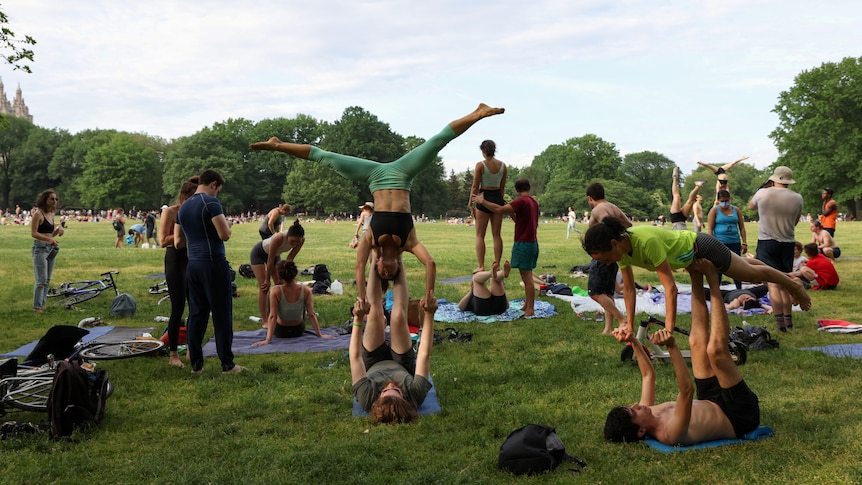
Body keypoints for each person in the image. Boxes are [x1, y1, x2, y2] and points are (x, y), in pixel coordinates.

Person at [251, 103, 505, 306]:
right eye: (387, 273)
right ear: (396, 267)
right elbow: (430, 264)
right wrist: (428, 293)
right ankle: (478, 113)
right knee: (438, 141)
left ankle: (278, 145)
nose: (382, 269)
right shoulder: (409, 242)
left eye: (380, 271)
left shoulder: (371, 239)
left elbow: (360, 266)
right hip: (403, 173)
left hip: (373, 175)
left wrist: (361, 297)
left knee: (324, 157)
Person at [604, 261, 760, 446]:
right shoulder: (671, 433)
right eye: (634, 411)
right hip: (738, 415)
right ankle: (712, 278)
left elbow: (648, 375)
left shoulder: (648, 411)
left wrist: (633, 340)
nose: (637, 405)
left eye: (631, 407)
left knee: (696, 342)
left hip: (710, 400)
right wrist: (672, 346)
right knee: (716, 352)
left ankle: (695, 276)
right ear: (641, 431)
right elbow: (686, 390)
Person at [581, 217, 811, 337]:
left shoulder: (645, 241)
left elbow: (670, 288)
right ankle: (788, 278)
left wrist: (669, 329)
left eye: (605, 259)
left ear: (613, 243)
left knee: (751, 274)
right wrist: (628, 324)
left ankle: (794, 285)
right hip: (694, 251)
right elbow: (629, 290)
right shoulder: (621, 251)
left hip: (701, 247)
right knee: (746, 265)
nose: (606, 264)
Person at [175, 169, 245, 375]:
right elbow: (224, 235)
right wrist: (228, 226)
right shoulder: (211, 203)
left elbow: (178, 242)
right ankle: (227, 365)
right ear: (214, 184)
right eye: (218, 190)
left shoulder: (184, 207)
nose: (218, 194)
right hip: (213, 263)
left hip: (192, 265)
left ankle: (196, 365)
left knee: (197, 314)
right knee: (222, 315)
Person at [349, 262, 437, 424]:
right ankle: (398, 258)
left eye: (385, 391)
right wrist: (429, 314)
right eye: (396, 389)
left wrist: (358, 318)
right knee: (398, 316)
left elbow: (355, 358)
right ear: (404, 397)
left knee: (375, 314)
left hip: (373, 361)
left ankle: (376, 257)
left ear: (377, 398)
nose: (390, 385)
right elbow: (424, 354)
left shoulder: (367, 397)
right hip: (402, 363)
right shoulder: (414, 394)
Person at [748, 166, 805, 332]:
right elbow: (795, 221)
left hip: (767, 242)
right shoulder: (797, 197)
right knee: (785, 283)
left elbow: (751, 207)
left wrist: (763, 188)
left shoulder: (763, 193)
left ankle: (780, 323)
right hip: (787, 243)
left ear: (774, 179)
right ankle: (789, 321)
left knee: (773, 285)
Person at [474, 178, 539, 316]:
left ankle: (530, 309)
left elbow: (498, 209)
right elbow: (518, 220)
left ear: (516, 190)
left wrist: (482, 201)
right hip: (532, 243)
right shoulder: (533, 202)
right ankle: (527, 304)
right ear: (529, 187)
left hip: (524, 244)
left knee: (527, 278)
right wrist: (511, 210)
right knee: (526, 276)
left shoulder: (521, 201)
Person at [159, 177, 199, 367]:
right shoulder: (170, 211)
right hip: (175, 261)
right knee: (178, 308)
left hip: (193, 259)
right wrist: (183, 235)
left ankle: (192, 348)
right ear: (183, 196)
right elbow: (162, 241)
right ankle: (173, 354)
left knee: (195, 307)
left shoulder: (197, 211)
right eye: (191, 197)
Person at [586, 182, 633, 335]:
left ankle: (622, 319)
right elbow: (628, 224)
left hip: (604, 253)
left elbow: (606, 224)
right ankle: (608, 328)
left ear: (590, 198)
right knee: (608, 292)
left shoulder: (598, 209)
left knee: (595, 292)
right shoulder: (612, 206)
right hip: (615, 252)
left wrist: (606, 242)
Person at [252, 261, 333, 345]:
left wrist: (267, 340)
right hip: (298, 330)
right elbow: (311, 314)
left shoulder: (275, 291)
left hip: (281, 331)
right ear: (295, 274)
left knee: (271, 297)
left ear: (279, 275)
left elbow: (273, 316)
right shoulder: (305, 290)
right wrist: (320, 335)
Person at [250, 219, 306, 324]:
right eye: (292, 241)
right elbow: (269, 261)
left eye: (297, 242)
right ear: (287, 235)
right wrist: (267, 279)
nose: (294, 244)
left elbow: (290, 258)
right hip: (259, 253)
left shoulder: (301, 240)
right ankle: (265, 320)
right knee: (264, 287)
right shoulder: (279, 238)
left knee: (280, 285)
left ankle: (280, 316)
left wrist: (285, 275)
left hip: (275, 256)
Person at [469, 140, 507, 272]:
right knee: (497, 235)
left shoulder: (480, 165)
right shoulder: (503, 166)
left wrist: (471, 204)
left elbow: (475, 186)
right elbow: (502, 188)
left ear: (483, 151)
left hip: (483, 198)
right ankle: (497, 265)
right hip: (497, 198)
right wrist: (501, 202)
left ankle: (481, 266)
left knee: (480, 235)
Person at [31, 189, 63, 314]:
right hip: (40, 249)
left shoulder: (51, 213)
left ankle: (42, 305)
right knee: (41, 280)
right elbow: (34, 233)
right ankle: (37, 307)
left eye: (56, 199)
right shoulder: (38, 214)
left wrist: (57, 232)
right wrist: (49, 240)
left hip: (50, 248)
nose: (55, 201)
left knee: (48, 279)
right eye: (52, 199)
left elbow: (50, 234)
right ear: (45, 200)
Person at [707, 189, 747, 289]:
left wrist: (744, 242)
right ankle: (716, 289)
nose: (725, 203)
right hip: (720, 242)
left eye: (727, 200)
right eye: (722, 201)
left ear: (730, 199)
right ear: (718, 200)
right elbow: (710, 229)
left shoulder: (736, 210)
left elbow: (742, 227)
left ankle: (739, 288)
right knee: (719, 267)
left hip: (734, 242)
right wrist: (712, 244)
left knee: (737, 267)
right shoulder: (715, 211)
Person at [669, 166, 704, 230]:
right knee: (689, 200)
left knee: (677, 197)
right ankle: (698, 186)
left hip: (676, 219)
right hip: (683, 219)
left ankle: (674, 177)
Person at [704, 285, 772, 313]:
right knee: (767, 287)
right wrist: (768, 312)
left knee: (705, 292)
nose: (746, 297)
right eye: (748, 298)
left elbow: (725, 308)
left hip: (727, 294)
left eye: (745, 300)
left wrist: (738, 312)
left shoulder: (736, 303)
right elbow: (770, 308)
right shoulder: (755, 301)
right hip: (749, 291)